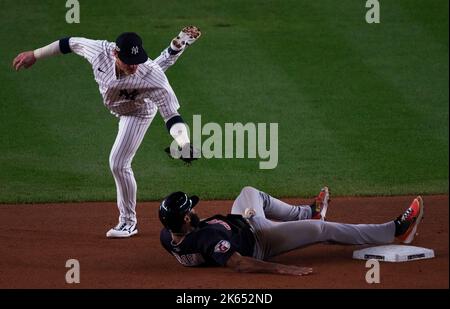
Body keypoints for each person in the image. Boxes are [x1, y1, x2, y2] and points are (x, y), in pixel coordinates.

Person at [12, 26, 202, 238]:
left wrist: (183, 143)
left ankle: (128, 222)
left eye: (137, 60)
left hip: (138, 111)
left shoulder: (147, 73)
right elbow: (69, 43)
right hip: (120, 103)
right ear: (114, 53)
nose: (133, 65)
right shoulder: (100, 51)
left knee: (118, 163)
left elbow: (171, 115)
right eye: (128, 61)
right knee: (144, 76)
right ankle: (175, 47)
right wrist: (35, 55)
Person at [159, 186, 424, 276]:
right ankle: (395, 231)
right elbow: (238, 263)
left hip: (244, 221)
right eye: (191, 210)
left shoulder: (169, 236)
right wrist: (280, 269)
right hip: (262, 239)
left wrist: (241, 219)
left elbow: (200, 230)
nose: (195, 210)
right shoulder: (208, 239)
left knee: (249, 193)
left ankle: (308, 211)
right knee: (322, 230)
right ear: (185, 219)